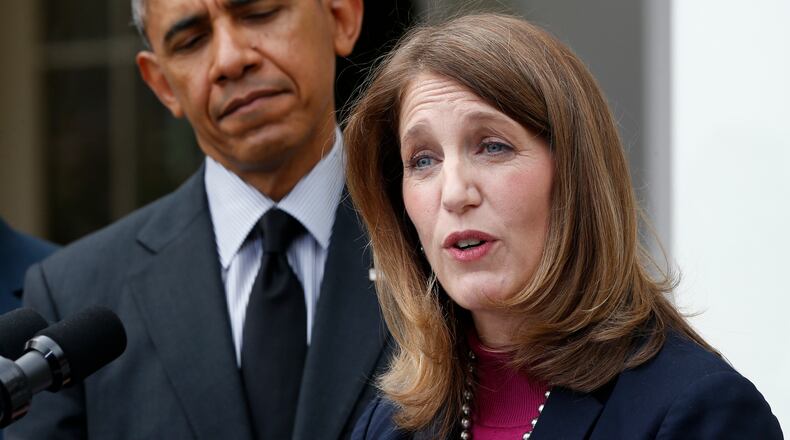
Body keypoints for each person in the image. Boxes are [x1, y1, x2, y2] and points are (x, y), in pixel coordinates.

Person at [343, 13, 782, 439]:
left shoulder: (699, 411)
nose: (454, 193)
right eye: (423, 160)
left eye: (493, 147)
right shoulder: (387, 424)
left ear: (576, 177)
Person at [7, 1, 389, 439]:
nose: (230, 59)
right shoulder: (73, 299)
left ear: (341, 16)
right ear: (162, 84)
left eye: (260, 13)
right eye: (191, 41)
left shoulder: (436, 245)